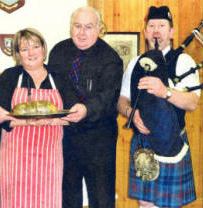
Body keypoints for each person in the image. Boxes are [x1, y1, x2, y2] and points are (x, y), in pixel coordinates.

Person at [117, 6, 200, 208]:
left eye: (162, 26)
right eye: (151, 25)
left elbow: (192, 102)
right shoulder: (135, 62)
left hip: (172, 141)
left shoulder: (183, 61)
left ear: (171, 31)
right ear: (145, 31)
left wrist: (166, 92)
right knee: (145, 203)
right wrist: (131, 113)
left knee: (169, 204)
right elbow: (122, 100)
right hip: (143, 142)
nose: (156, 30)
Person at [0, 28, 80, 208]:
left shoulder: (59, 77)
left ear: (44, 50)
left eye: (35, 46)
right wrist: (25, 122)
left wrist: (51, 120)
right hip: (15, 158)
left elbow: (73, 113)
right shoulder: (10, 76)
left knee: (48, 201)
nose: (31, 53)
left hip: (50, 157)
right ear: (17, 54)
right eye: (24, 49)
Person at [48, 6, 123, 208]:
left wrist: (86, 109)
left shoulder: (111, 58)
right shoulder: (58, 52)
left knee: (101, 197)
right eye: (77, 26)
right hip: (65, 137)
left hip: (99, 138)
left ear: (99, 29)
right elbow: (53, 88)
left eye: (88, 27)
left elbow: (108, 97)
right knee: (68, 196)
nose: (82, 33)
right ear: (70, 28)